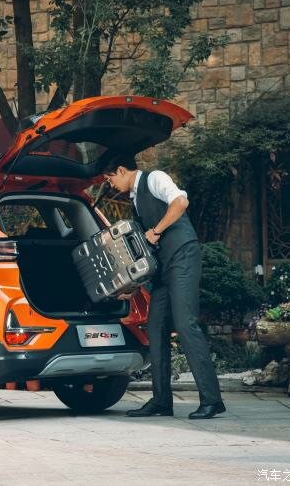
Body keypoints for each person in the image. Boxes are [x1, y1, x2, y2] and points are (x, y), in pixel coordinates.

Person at [101, 155, 225, 419]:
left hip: (182, 257)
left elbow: (180, 202)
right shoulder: (135, 200)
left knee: (185, 324)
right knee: (155, 328)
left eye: (109, 178)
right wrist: (134, 286)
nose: (110, 185)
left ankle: (212, 400)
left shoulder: (154, 178)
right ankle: (161, 401)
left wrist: (156, 231)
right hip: (162, 269)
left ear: (121, 169)